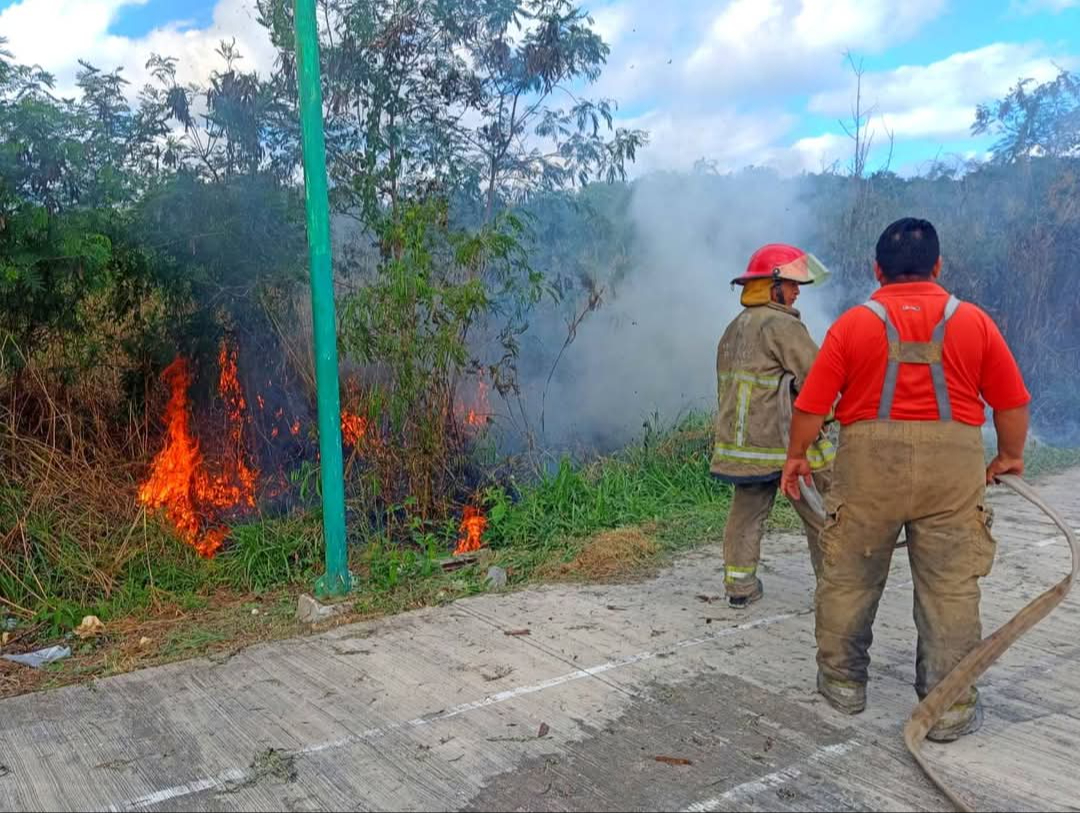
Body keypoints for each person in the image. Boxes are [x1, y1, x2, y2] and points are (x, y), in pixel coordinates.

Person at [781, 217, 1030, 742]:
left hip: (870, 468)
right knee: (949, 587)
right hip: (953, 469)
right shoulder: (974, 322)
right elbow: (1010, 402)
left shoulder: (853, 325)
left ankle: (843, 684)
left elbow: (811, 405)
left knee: (850, 574)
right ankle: (950, 705)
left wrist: (797, 456)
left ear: (877, 270)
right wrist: (1008, 456)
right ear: (938, 266)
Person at [711, 243, 836, 609]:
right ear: (773, 285)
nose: (798, 291)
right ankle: (835, 590)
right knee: (823, 511)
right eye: (794, 284)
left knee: (746, 515)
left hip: (744, 447)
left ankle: (740, 586)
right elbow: (817, 379)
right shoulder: (782, 325)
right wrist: (832, 416)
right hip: (786, 441)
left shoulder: (734, 328)